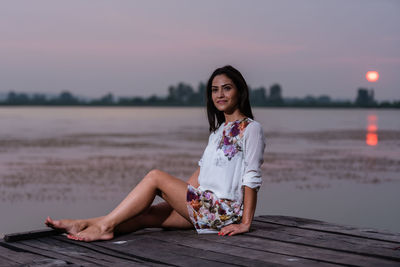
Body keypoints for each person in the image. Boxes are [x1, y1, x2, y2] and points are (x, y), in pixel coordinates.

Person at [45, 65, 266, 241]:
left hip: (222, 212)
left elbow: (252, 176)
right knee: (145, 215)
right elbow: (201, 175)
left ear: (240, 90)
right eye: (215, 90)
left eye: (227, 88)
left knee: (155, 177)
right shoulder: (218, 132)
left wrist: (245, 223)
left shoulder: (251, 128)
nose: (220, 94)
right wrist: (176, 198)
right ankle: (84, 223)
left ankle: (104, 227)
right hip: (204, 206)